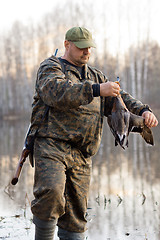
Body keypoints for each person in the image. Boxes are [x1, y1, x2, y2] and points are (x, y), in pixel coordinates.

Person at [29, 27, 158, 240]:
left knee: (76, 214)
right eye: (81, 47)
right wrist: (97, 90)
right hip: (51, 145)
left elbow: (121, 97)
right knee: (50, 194)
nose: (86, 52)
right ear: (67, 45)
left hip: (82, 153)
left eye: (89, 47)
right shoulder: (51, 67)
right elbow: (57, 92)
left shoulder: (96, 75)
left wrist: (143, 111)